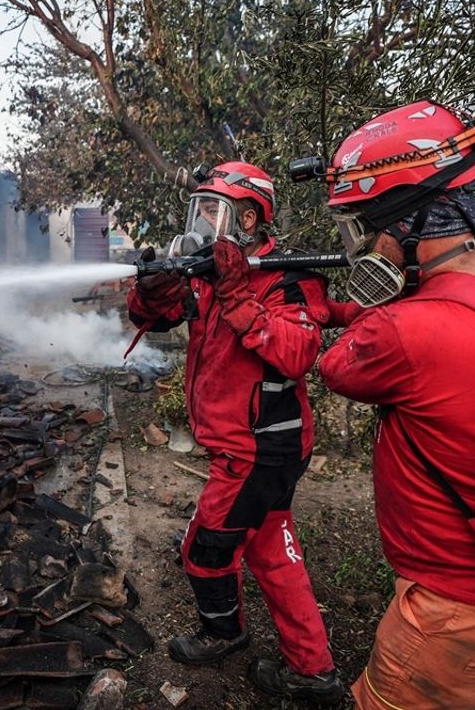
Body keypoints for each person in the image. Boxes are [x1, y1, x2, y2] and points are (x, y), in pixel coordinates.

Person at [316, 100, 475, 709]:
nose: (361, 245)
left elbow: (337, 367)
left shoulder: (404, 331)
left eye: (363, 227)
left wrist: (377, 296)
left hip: (457, 610)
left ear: (403, 224)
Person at [127, 161, 343, 702]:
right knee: (272, 550)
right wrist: (152, 290)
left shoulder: (288, 278)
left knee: (205, 549)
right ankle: (312, 669)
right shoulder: (211, 272)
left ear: (248, 218)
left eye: (213, 211)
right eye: (198, 211)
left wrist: (237, 293)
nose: (202, 224)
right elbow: (160, 315)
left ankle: (224, 634)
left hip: (260, 448)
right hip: (249, 444)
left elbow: (296, 354)